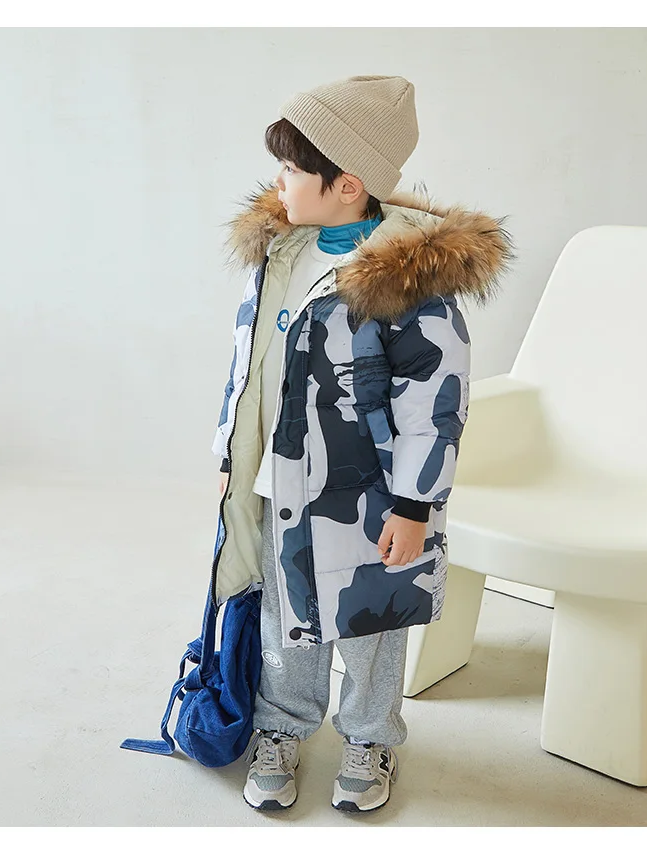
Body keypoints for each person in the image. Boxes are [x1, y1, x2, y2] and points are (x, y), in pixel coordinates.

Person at [211, 75, 510, 813]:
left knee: (373, 623)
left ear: (346, 186)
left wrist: (414, 503)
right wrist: (230, 453)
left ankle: (370, 736)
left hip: (370, 495)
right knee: (286, 617)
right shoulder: (282, 256)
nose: (279, 182)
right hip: (281, 479)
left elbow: (436, 402)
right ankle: (282, 725)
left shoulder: (406, 280)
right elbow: (249, 365)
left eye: (292, 169)